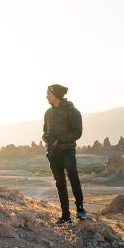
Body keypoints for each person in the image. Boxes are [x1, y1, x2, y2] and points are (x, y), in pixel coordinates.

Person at [42, 84, 86, 224]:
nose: (46, 96)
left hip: (67, 150)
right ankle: (65, 216)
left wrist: (60, 140)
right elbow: (44, 131)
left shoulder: (72, 111)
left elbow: (77, 132)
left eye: (48, 93)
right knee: (60, 183)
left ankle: (80, 209)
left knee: (73, 176)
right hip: (53, 152)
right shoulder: (48, 113)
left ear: (56, 95)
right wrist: (46, 138)